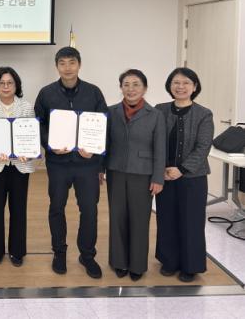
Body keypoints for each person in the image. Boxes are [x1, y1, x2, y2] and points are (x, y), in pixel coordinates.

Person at [34, 46, 108, 278]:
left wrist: (97, 157)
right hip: (58, 163)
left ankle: (87, 255)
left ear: (79, 65)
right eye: (62, 63)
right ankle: (59, 252)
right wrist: (50, 144)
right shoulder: (46, 93)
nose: (67, 68)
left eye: (72, 62)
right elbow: (38, 124)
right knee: (57, 207)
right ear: (57, 66)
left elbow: (103, 126)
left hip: (87, 164)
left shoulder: (93, 92)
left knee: (89, 210)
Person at [103, 69, 166, 281]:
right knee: (117, 217)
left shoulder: (156, 115)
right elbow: (105, 144)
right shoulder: (110, 112)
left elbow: (160, 149)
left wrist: (158, 178)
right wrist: (100, 169)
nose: (131, 89)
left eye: (136, 84)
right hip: (115, 171)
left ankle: (137, 264)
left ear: (145, 88)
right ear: (121, 88)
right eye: (126, 84)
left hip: (143, 173)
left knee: (140, 220)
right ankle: (118, 262)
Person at [155, 67, 213, 283]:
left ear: (194, 87)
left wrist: (181, 169)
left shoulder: (204, 114)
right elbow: (153, 141)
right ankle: (169, 261)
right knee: (166, 218)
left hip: (193, 178)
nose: (181, 87)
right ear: (169, 86)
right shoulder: (160, 110)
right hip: (165, 175)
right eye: (176, 82)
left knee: (191, 221)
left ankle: (191, 266)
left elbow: (203, 146)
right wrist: (160, 168)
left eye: (186, 83)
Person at [0, 66, 35, 266]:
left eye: (10, 83)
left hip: (21, 166)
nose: (5, 86)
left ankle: (17, 251)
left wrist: (26, 150)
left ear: (16, 85)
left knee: (19, 209)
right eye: (1, 83)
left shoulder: (26, 107)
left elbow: (31, 136)